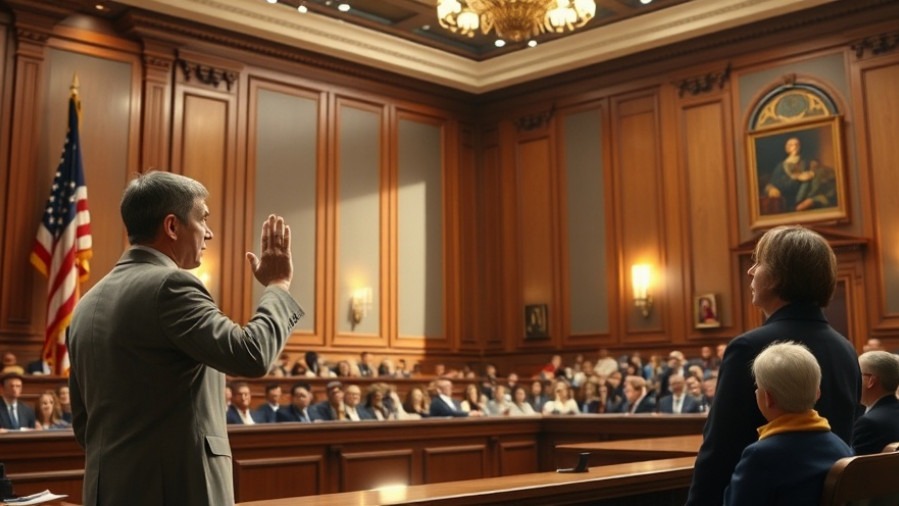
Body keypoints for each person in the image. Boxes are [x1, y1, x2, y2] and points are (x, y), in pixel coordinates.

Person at [68, 171, 303, 506]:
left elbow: (83, 423)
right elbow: (251, 354)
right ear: (172, 226)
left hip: (108, 490)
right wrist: (278, 286)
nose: (209, 233)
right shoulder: (170, 287)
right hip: (177, 490)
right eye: (202, 219)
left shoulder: (85, 305)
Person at [686, 225, 860, 506]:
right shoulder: (846, 349)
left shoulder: (749, 348)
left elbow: (719, 453)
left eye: (760, 262)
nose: (750, 271)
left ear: (782, 275)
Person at [723, 342, 852, 505]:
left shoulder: (760, 456)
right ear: (818, 393)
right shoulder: (840, 446)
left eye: (758, 386)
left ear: (768, 398)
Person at [852, 351, 899, 455]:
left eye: (857, 375)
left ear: (871, 381)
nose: (854, 380)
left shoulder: (868, 423)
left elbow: (854, 469)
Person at [762, 137, 816, 214]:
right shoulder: (781, 166)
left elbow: (812, 178)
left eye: (796, 144)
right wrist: (771, 189)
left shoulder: (807, 162)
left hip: (803, 197)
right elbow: (773, 183)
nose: (795, 147)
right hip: (786, 197)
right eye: (791, 145)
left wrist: (810, 175)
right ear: (787, 148)